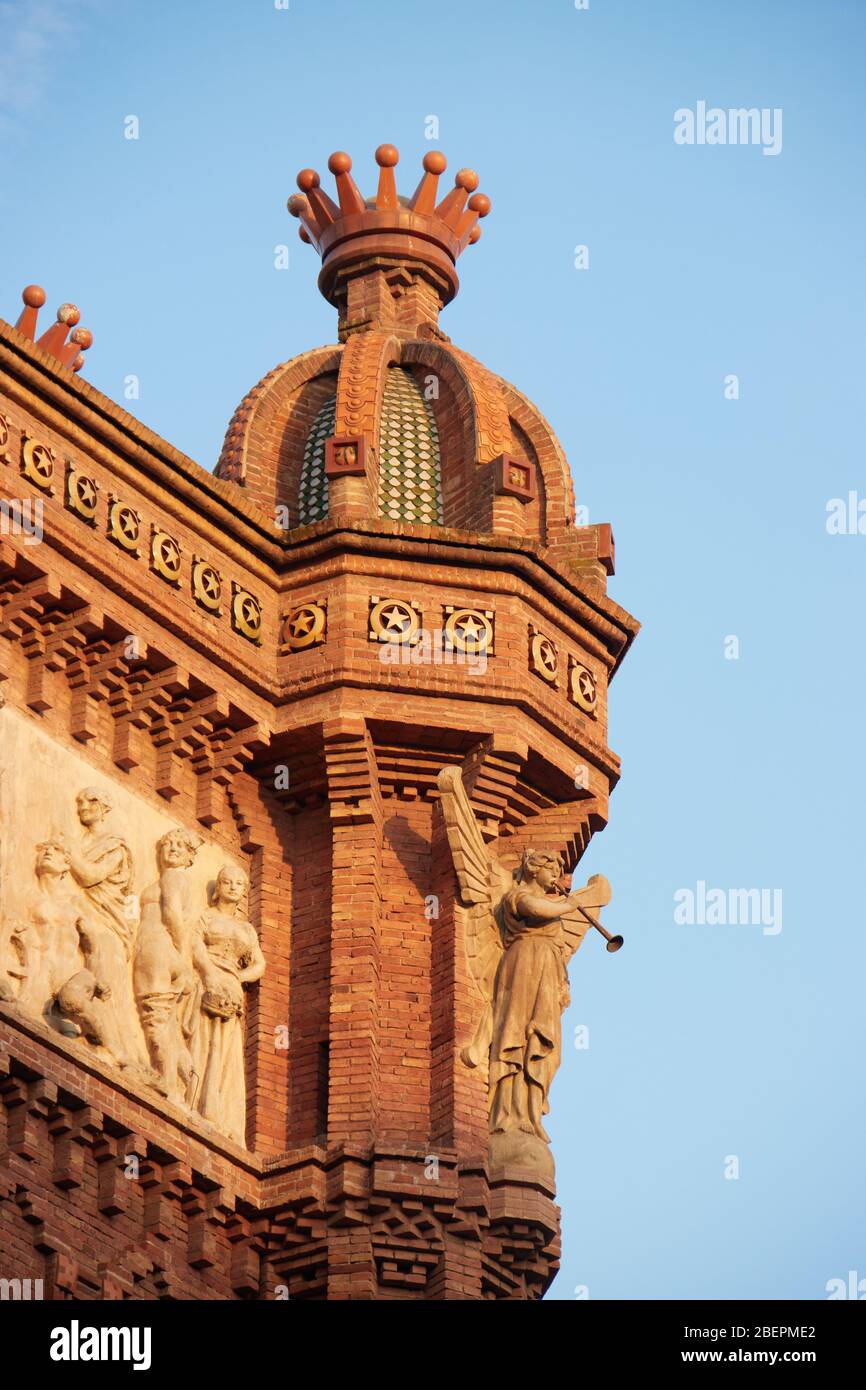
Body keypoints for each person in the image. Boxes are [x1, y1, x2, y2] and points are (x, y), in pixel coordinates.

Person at [190, 866, 265, 1145]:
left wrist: (238, 977)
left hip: (232, 986)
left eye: (238, 884)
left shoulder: (247, 929)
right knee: (203, 1041)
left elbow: (260, 964)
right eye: (227, 882)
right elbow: (195, 945)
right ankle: (199, 1103)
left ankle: (221, 1113)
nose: (233, 887)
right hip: (208, 981)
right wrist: (210, 974)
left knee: (226, 1051)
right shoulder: (206, 917)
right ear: (217, 887)